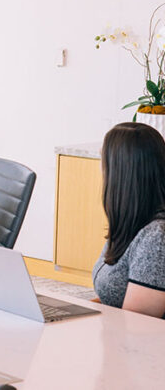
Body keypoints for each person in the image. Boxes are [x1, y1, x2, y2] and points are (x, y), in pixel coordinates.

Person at [92, 122, 165, 318]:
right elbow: (113, 298)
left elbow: (137, 326)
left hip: (138, 345)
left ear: (120, 173)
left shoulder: (156, 238)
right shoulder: (132, 220)